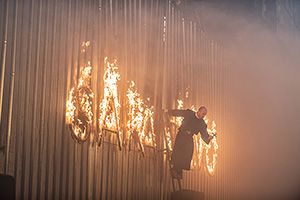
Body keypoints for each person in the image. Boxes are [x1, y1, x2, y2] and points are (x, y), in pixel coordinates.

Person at [164, 106, 214, 179]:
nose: (203, 116)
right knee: (179, 152)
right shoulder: (189, 113)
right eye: (203, 114)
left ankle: (178, 172)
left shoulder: (202, 123)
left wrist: (208, 138)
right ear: (199, 111)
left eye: (204, 115)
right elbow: (179, 112)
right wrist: (168, 111)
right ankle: (176, 170)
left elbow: (204, 134)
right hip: (181, 135)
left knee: (187, 153)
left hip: (189, 137)